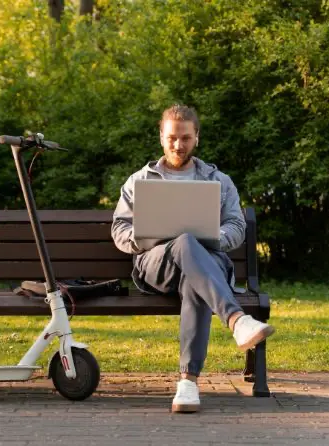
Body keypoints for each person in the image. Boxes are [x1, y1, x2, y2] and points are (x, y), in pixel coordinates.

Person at [111, 104, 275, 413]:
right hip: (156, 266)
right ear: (161, 137)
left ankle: (188, 383)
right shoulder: (139, 180)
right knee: (184, 241)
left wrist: (211, 237)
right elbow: (120, 229)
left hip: (206, 264)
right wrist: (151, 234)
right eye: (172, 137)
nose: (178, 145)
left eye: (185, 138)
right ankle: (237, 320)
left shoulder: (219, 180)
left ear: (196, 138)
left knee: (194, 277)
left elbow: (237, 226)